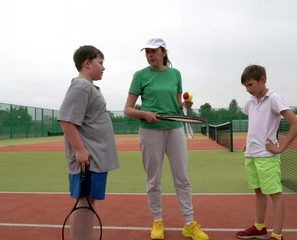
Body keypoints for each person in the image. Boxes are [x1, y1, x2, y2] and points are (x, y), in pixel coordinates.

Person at [124, 38, 209, 240]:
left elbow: (178, 105)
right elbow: (128, 109)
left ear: (163, 52)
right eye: (147, 52)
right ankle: (157, 221)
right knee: (153, 180)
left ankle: (189, 224)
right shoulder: (140, 76)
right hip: (150, 131)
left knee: (182, 178)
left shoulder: (175, 74)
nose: (150, 55)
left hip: (175, 129)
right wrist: (145, 114)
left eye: (154, 51)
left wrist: (186, 106)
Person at [58, 45, 119, 240]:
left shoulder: (88, 87)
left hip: (94, 158)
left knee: (88, 202)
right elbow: (66, 119)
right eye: (100, 63)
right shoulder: (82, 86)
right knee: (84, 202)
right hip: (88, 158)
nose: (103, 67)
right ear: (87, 63)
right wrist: (80, 150)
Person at [236, 64, 297, 240]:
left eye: (250, 85)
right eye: (245, 86)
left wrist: (280, 148)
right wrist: (248, 143)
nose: (248, 90)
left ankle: (277, 235)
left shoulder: (274, 99)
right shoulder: (250, 104)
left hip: (267, 156)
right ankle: (259, 228)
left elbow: (296, 124)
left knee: (275, 194)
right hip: (251, 154)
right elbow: (255, 126)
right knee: (258, 191)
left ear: (262, 80)